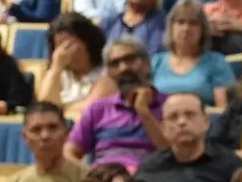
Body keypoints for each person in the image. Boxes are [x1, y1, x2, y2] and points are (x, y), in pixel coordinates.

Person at [67, 36, 169, 171]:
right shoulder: (98, 109)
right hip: (102, 180)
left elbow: (173, 154)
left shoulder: (170, 105)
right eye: (115, 64)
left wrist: (144, 113)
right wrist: (89, 174)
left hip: (150, 179)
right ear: (108, 73)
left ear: (146, 63)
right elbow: (68, 153)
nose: (123, 68)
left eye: (130, 60)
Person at [4, 101, 87, 182]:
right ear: (25, 137)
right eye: (36, 130)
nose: (45, 135)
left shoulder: (88, 179)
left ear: (66, 133)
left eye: (53, 128)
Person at [153, 0, 237, 108]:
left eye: (193, 23)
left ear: (202, 30)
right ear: (171, 27)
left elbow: (223, 110)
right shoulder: (156, 62)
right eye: (180, 22)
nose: (186, 28)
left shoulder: (216, 62)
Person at [35, 12, 115, 113]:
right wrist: (56, 68)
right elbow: (44, 108)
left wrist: (62, 109)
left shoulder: (108, 73)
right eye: (59, 47)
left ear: (87, 42)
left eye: (69, 45)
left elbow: (91, 108)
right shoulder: (57, 75)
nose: (64, 53)